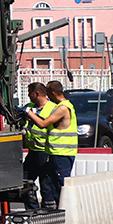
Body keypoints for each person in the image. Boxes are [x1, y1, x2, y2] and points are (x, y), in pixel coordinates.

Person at [27, 79, 78, 209]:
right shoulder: (66, 106)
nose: (47, 96)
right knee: (53, 186)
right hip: (57, 153)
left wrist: (28, 112)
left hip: (61, 154)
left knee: (59, 189)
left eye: (48, 93)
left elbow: (43, 124)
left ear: (53, 93)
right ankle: (57, 215)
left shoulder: (62, 108)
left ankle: (65, 216)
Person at [22, 82, 53, 209]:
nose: (29, 96)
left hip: (45, 152)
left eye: (30, 93)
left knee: (46, 185)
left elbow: (44, 125)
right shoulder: (30, 107)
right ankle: (32, 210)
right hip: (33, 151)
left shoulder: (52, 108)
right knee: (24, 182)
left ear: (37, 94)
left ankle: (48, 212)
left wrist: (30, 114)